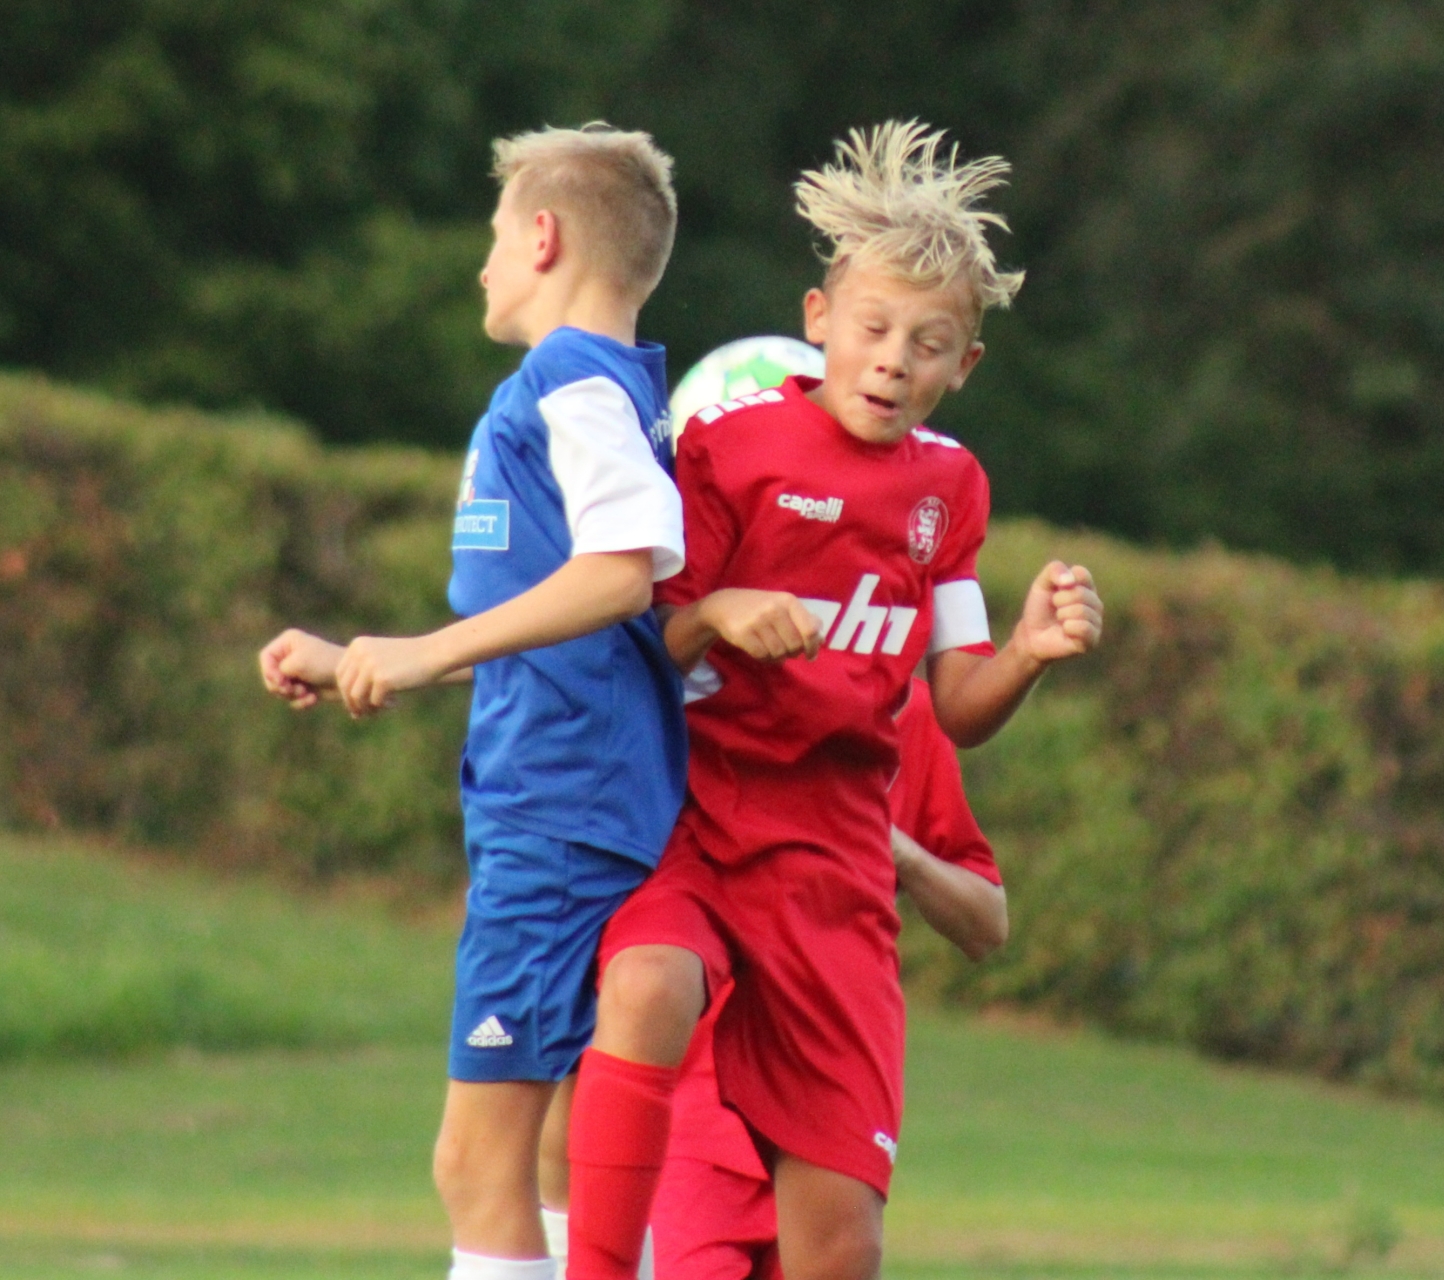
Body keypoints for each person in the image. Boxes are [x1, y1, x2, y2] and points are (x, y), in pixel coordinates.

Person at [563, 120, 1104, 1280]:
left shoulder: (951, 489)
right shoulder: (729, 446)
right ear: (819, 318)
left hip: (834, 866)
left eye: (929, 342)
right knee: (650, 983)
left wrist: (1027, 651)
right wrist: (720, 611)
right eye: (873, 328)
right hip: (698, 820)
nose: (894, 360)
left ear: (966, 366)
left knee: (840, 1243)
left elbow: (958, 705)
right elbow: (646, 639)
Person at [256, 124, 686, 1280]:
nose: (482, 263)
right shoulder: (607, 387)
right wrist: (370, 656)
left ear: (542, 237)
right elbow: (568, 619)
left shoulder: (568, 380)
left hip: (558, 812)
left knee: (476, 1161)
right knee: (555, 1158)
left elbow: (622, 573)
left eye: (493, 235)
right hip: (585, 803)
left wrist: (418, 651)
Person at [536, 676, 1009, 1279]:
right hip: (696, 1119)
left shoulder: (905, 709)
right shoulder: (698, 684)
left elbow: (987, 923)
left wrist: (899, 851)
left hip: (829, 1093)